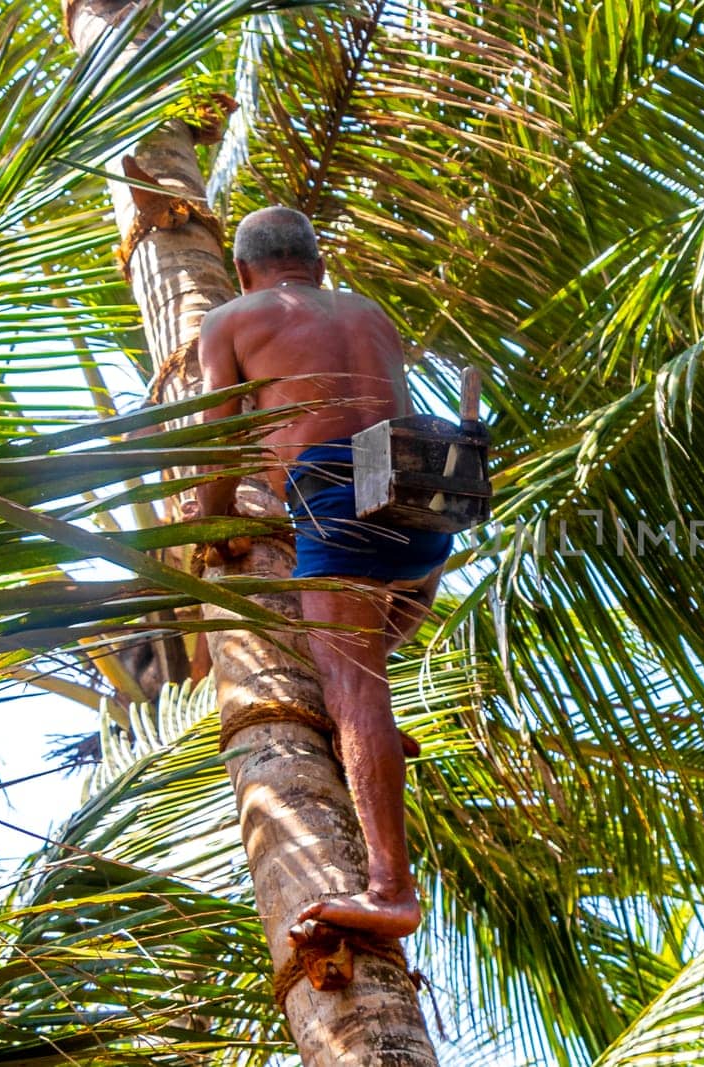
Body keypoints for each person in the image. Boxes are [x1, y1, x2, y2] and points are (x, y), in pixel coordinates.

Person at [195, 206, 448, 944]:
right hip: (425, 493)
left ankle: (391, 891)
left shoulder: (232, 318)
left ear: (243, 273)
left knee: (351, 685)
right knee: (352, 639)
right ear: (320, 265)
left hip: (339, 499)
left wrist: (212, 520)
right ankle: (372, 734)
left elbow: (219, 432)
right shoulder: (366, 310)